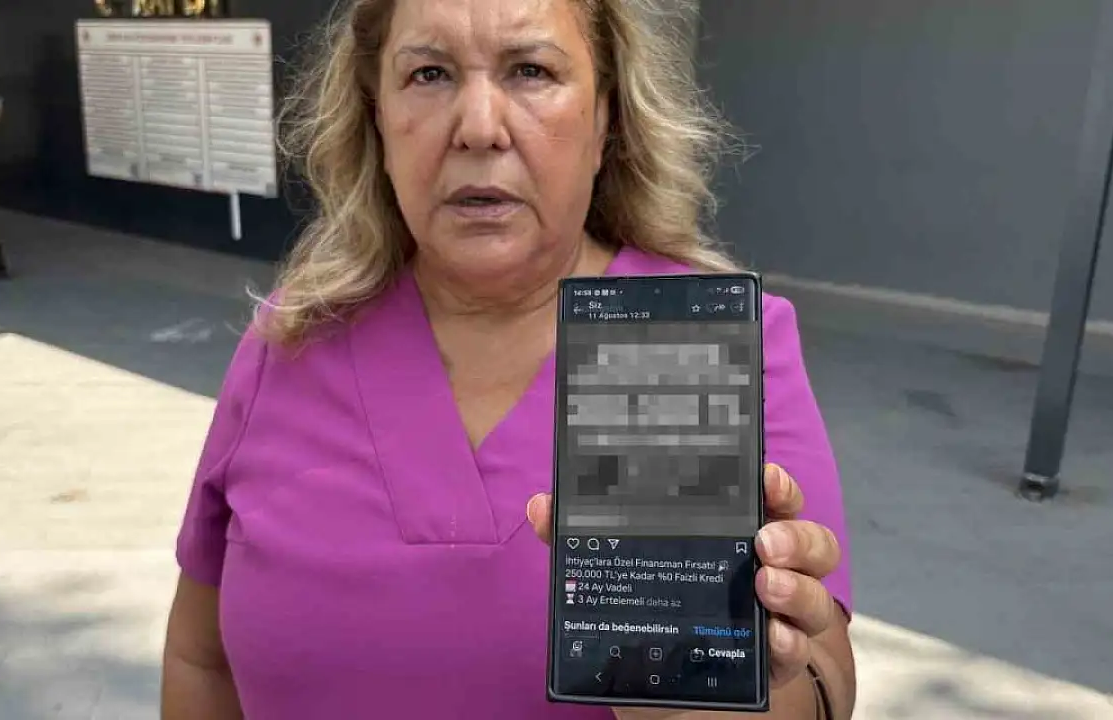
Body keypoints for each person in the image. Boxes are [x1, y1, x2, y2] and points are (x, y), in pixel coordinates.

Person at [162, 0, 855, 717]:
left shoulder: (705, 340)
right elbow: (198, 660)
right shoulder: (290, 340)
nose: (479, 127)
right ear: (377, 118)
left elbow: (822, 681)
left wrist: (704, 692)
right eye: (429, 74)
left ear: (606, 119)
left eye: (530, 70)